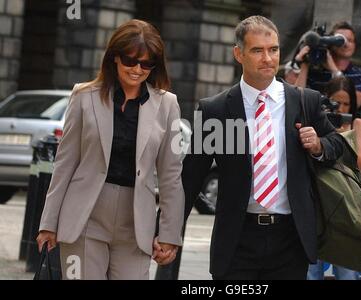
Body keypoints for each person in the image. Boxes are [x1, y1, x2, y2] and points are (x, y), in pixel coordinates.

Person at [182, 15, 343, 280]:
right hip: (237, 240)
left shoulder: (306, 101)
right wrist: (166, 233)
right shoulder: (216, 110)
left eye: (274, 50)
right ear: (239, 54)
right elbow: (191, 177)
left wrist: (318, 145)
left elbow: (337, 145)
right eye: (257, 50)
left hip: (290, 239)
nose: (268, 58)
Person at [36, 19, 185, 280]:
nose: (137, 69)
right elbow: (65, 163)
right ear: (115, 58)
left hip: (136, 222)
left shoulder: (167, 105)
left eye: (146, 64)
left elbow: (171, 174)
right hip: (84, 217)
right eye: (130, 61)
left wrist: (170, 234)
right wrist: (48, 223)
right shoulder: (84, 96)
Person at [307, 76, 361, 280]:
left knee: (347, 271)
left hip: (346, 205)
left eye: (346, 104)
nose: (340, 108)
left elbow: (359, 164)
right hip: (318, 202)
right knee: (311, 269)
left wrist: (341, 138)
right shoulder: (317, 122)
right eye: (336, 102)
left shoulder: (357, 124)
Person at [295, 21, 361, 111]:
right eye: (340, 40)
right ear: (330, 43)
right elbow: (297, 100)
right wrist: (305, 63)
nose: (346, 44)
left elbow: (355, 104)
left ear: (355, 45)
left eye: (350, 40)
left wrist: (333, 69)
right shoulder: (315, 72)